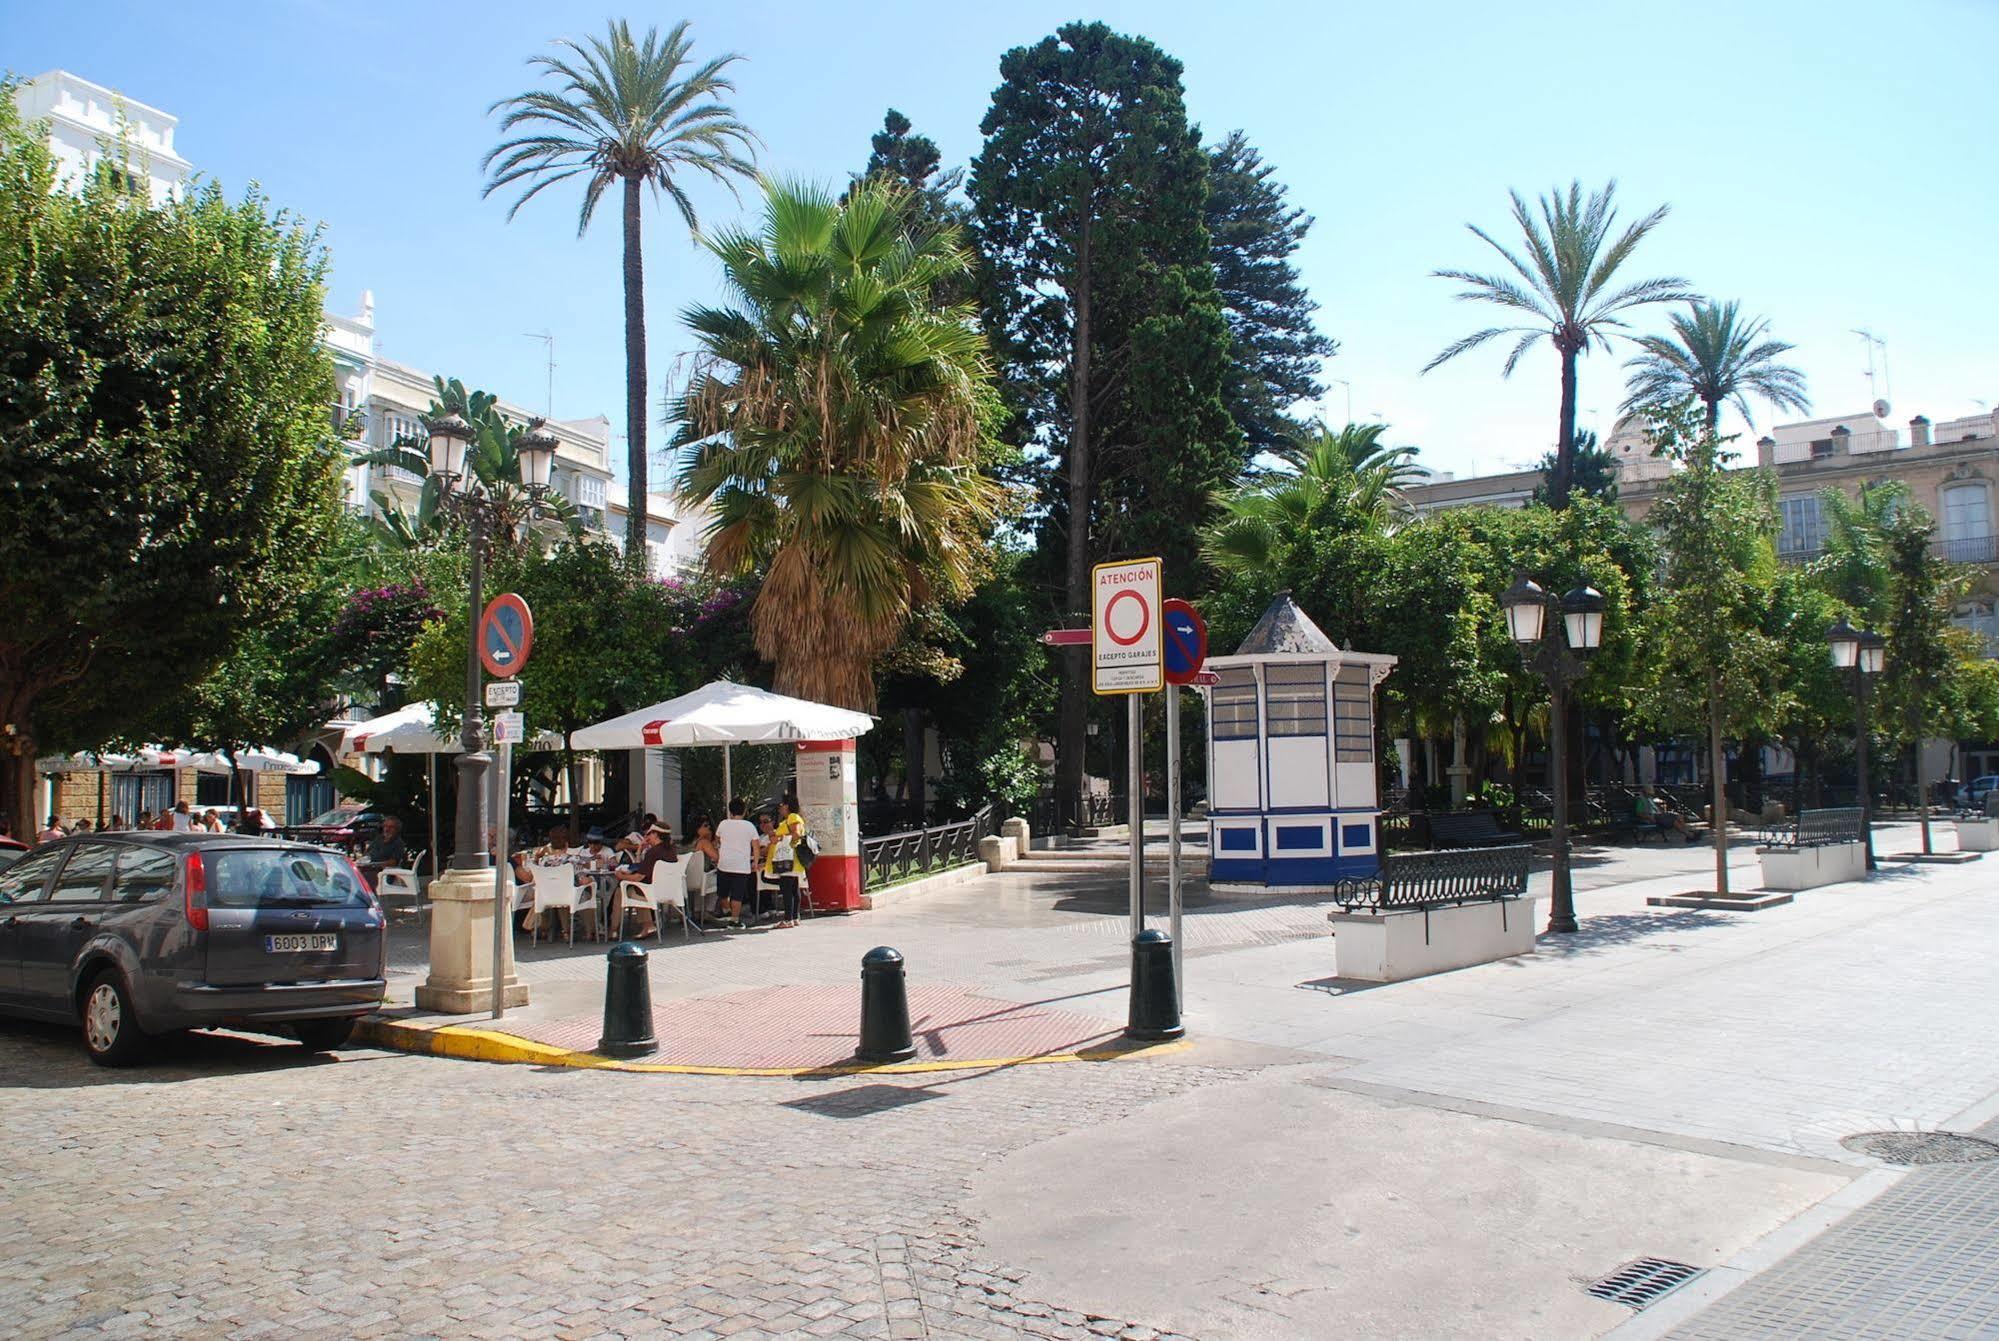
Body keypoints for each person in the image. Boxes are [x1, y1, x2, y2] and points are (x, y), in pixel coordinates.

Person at [610, 821, 677, 936]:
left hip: (651, 891)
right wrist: (640, 849)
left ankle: (614, 930)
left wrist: (622, 876)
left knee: (621, 890)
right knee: (634, 888)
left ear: (656, 834)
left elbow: (638, 876)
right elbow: (642, 868)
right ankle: (648, 925)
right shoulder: (671, 850)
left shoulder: (653, 852)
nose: (646, 837)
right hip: (669, 890)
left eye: (649, 834)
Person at [765, 794, 809, 929]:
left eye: (781, 805)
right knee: (794, 889)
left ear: (787, 806)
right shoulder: (790, 819)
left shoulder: (792, 817)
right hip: (791, 860)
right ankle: (794, 917)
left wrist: (778, 839)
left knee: (787, 889)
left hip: (787, 860)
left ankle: (788, 918)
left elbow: (796, 834)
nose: (779, 808)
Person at [715, 798, 759, 926]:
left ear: (730, 811)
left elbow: (717, 839)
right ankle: (734, 919)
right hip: (741, 865)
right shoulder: (749, 826)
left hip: (724, 863)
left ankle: (727, 911)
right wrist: (755, 862)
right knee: (737, 894)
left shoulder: (723, 824)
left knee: (723, 892)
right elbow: (755, 846)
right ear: (744, 811)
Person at [689, 818, 723, 921]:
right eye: (705, 825)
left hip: (690, 877)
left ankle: (698, 910)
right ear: (698, 829)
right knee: (721, 879)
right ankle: (709, 910)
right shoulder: (704, 842)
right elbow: (717, 857)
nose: (708, 827)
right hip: (703, 877)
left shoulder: (692, 842)